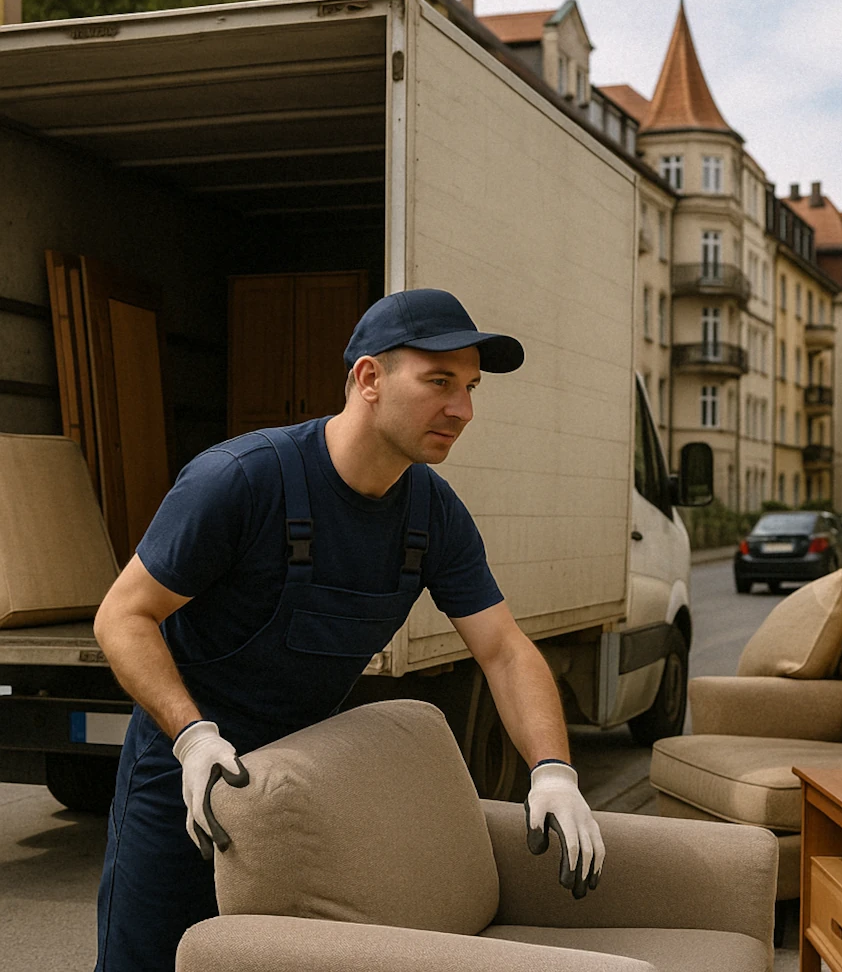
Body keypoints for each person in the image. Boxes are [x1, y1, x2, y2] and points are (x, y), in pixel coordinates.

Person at [92, 288, 606, 972]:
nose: (463, 409)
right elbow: (123, 616)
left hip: (300, 786)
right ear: (369, 378)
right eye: (439, 382)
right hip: (181, 771)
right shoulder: (242, 481)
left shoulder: (431, 514)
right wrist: (192, 737)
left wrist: (553, 771)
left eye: (471, 386)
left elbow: (504, 650)